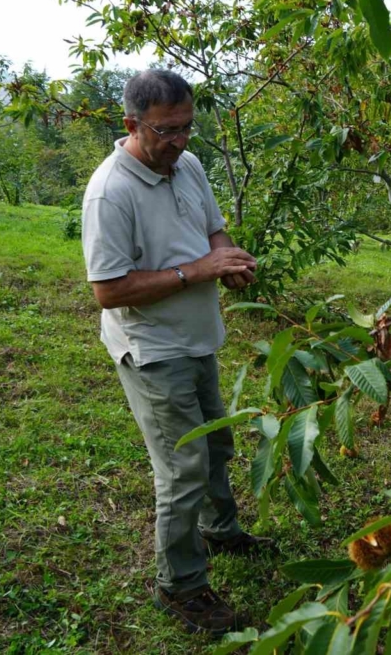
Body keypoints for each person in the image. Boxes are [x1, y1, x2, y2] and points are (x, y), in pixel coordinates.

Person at [81, 69, 273, 636]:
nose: (182, 141)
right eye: (168, 131)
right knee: (182, 467)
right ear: (132, 125)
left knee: (216, 441)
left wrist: (228, 258)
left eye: (189, 126)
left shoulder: (186, 164)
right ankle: (181, 586)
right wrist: (196, 272)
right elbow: (108, 289)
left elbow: (213, 230)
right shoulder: (110, 193)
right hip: (152, 346)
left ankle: (221, 529)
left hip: (198, 335)